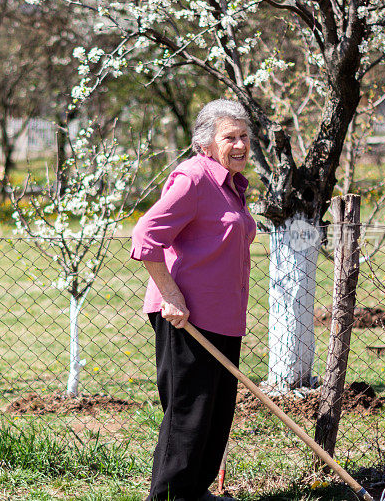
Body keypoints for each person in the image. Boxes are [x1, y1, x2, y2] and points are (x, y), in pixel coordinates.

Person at [130, 99, 257, 501]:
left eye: (243, 136)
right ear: (206, 143)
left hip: (224, 316)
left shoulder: (231, 184)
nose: (239, 145)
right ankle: (167, 496)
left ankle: (194, 492)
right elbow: (145, 236)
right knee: (189, 411)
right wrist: (170, 294)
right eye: (229, 138)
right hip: (187, 317)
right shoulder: (192, 178)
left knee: (216, 412)